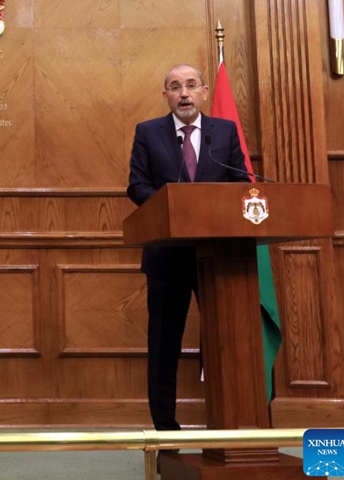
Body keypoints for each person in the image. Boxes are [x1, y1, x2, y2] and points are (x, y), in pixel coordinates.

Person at [127, 64, 251, 432]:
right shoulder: (148, 132)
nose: (184, 93)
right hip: (167, 256)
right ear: (165, 95)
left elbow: (240, 183)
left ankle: (234, 422)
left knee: (230, 341)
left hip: (219, 257)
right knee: (164, 347)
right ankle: (165, 430)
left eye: (191, 85)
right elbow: (137, 185)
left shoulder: (224, 131)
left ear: (205, 91)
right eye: (175, 87)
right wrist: (173, 211)